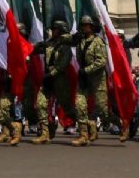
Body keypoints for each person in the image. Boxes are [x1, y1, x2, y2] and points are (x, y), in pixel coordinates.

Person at [29, 20, 79, 146]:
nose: (53, 31)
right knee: (40, 104)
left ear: (61, 30)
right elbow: (34, 50)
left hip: (60, 79)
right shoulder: (48, 43)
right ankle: (45, 133)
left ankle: (85, 127)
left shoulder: (65, 44)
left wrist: (52, 74)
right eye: (52, 29)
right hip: (48, 79)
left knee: (67, 108)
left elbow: (63, 63)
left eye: (55, 29)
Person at [76, 15, 125, 143]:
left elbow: (101, 61)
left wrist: (86, 70)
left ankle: (121, 125)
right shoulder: (80, 42)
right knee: (79, 104)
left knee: (102, 110)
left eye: (87, 25)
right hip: (84, 79)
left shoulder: (98, 42)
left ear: (92, 27)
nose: (85, 28)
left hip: (98, 80)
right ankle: (83, 135)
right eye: (83, 25)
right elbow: (78, 58)